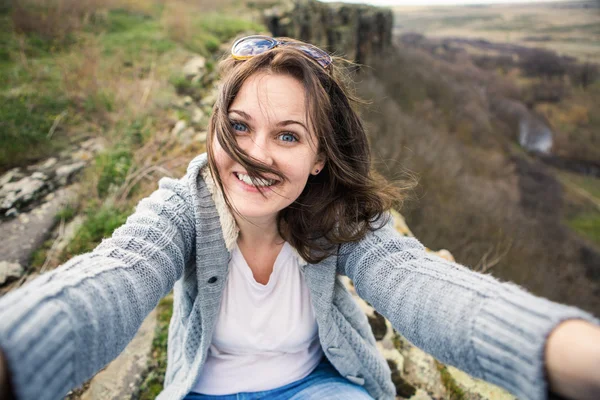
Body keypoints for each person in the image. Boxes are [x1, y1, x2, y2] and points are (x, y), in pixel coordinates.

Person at [0, 35, 599, 400]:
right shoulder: (183, 206)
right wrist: (17, 352)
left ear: (318, 159)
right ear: (214, 128)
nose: (255, 155)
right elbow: (117, 276)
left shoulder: (338, 218)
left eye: (287, 135)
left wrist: (563, 350)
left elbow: (420, 285)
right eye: (238, 126)